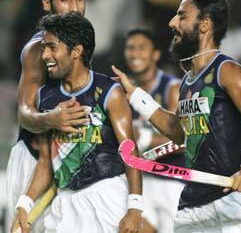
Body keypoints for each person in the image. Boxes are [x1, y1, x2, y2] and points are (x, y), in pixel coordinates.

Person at [112, 0, 241, 232]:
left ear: (205, 24)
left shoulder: (227, 70)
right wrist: (135, 95)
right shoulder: (187, 81)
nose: (172, 23)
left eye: (182, 16)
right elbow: (177, 130)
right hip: (193, 204)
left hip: (234, 199)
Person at [12, 12, 143, 233]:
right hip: (64, 205)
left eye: (52, 47)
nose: (44, 55)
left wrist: (135, 208)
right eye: (44, 47)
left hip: (107, 199)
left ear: (76, 51)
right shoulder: (45, 97)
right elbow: (46, 163)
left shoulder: (109, 92)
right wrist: (24, 205)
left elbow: (130, 152)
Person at [6, 0, 90, 231]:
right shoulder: (36, 51)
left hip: (64, 161)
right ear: (46, 3)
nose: (74, 7)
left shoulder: (81, 45)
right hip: (32, 162)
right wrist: (52, 119)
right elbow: (24, 114)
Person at [124, 28, 185, 233]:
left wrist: (145, 139)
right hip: (141, 180)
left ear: (156, 54)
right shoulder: (122, 92)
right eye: (130, 48)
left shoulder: (172, 88)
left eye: (141, 48)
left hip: (173, 179)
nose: (135, 53)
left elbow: (186, 141)